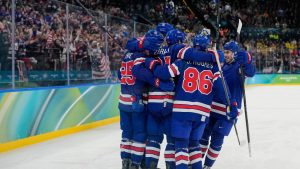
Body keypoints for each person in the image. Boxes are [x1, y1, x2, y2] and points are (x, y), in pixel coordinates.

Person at [145, 34, 224, 169]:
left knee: (181, 146)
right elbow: (220, 88)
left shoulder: (183, 61)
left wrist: (152, 65)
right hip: (202, 112)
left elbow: (164, 73)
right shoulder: (214, 66)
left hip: (182, 110)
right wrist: (231, 104)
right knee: (194, 145)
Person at [118, 35, 173, 169]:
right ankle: (135, 164)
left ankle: (126, 162)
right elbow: (142, 76)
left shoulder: (126, 56)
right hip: (136, 101)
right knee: (140, 135)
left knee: (126, 134)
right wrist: (156, 81)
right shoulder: (141, 57)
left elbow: (120, 75)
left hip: (122, 101)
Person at [200, 40, 256, 169]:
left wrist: (247, 61)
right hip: (213, 107)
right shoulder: (222, 65)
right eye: (224, 52)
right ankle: (196, 164)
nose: (225, 55)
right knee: (203, 136)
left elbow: (251, 72)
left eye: (228, 52)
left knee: (217, 139)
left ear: (235, 53)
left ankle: (207, 166)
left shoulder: (239, 67)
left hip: (229, 110)